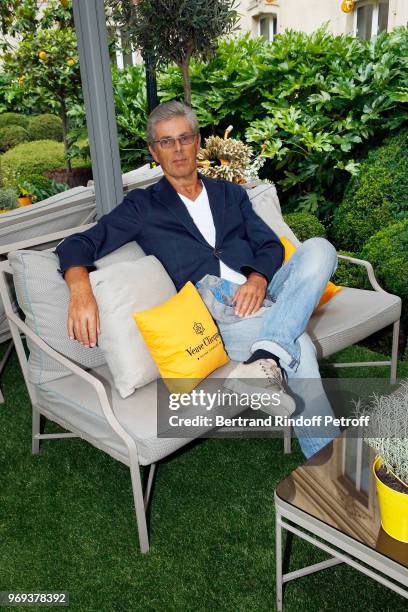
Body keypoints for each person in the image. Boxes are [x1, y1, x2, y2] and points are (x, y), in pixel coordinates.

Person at [56, 101, 340, 458]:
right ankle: (334, 474)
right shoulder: (143, 206)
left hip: (262, 292)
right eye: (166, 142)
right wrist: (80, 289)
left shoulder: (230, 195)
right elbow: (79, 244)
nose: (177, 149)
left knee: (320, 249)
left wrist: (258, 278)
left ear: (197, 141)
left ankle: (264, 354)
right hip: (216, 312)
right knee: (300, 350)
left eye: (184, 138)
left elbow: (268, 245)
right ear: (153, 151)